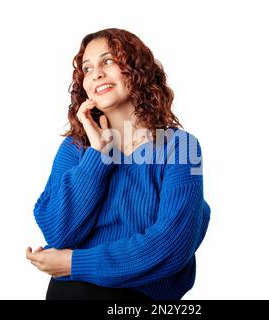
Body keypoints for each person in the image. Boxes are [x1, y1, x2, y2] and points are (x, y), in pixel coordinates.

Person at [26, 28, 211, 300]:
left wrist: (74, 263)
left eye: (108, 61)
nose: (96, 73)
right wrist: (99, 155)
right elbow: (58, 233)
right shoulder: (76, 148)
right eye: (87, 69)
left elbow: (171, 246)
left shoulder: (181, 147)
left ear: (138, 70)